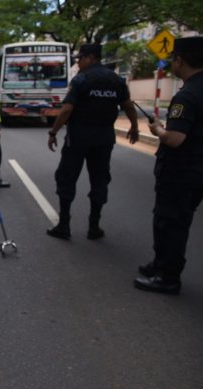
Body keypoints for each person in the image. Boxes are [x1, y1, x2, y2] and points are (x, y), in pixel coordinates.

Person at [46, 44, 138, 240]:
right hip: (104, 140)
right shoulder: (116, 80)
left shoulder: (81, 80)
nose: (78, 62)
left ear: (91, 57)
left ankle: (64, 226)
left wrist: (53, 131)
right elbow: (128, 106)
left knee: (66, 179)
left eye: (80, 58)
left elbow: (66, 110)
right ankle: (94, 227)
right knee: (100, 180)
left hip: (78, 139)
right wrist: (134, 127)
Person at [134, 36, 203, 295]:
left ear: (180, 60)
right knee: (179, 219)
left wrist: (158, 129)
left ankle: (167, 277)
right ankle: (160, 264)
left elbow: (175, 139)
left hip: (181, 172)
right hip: (197, 171)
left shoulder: (186, 96)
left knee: (170, 222)